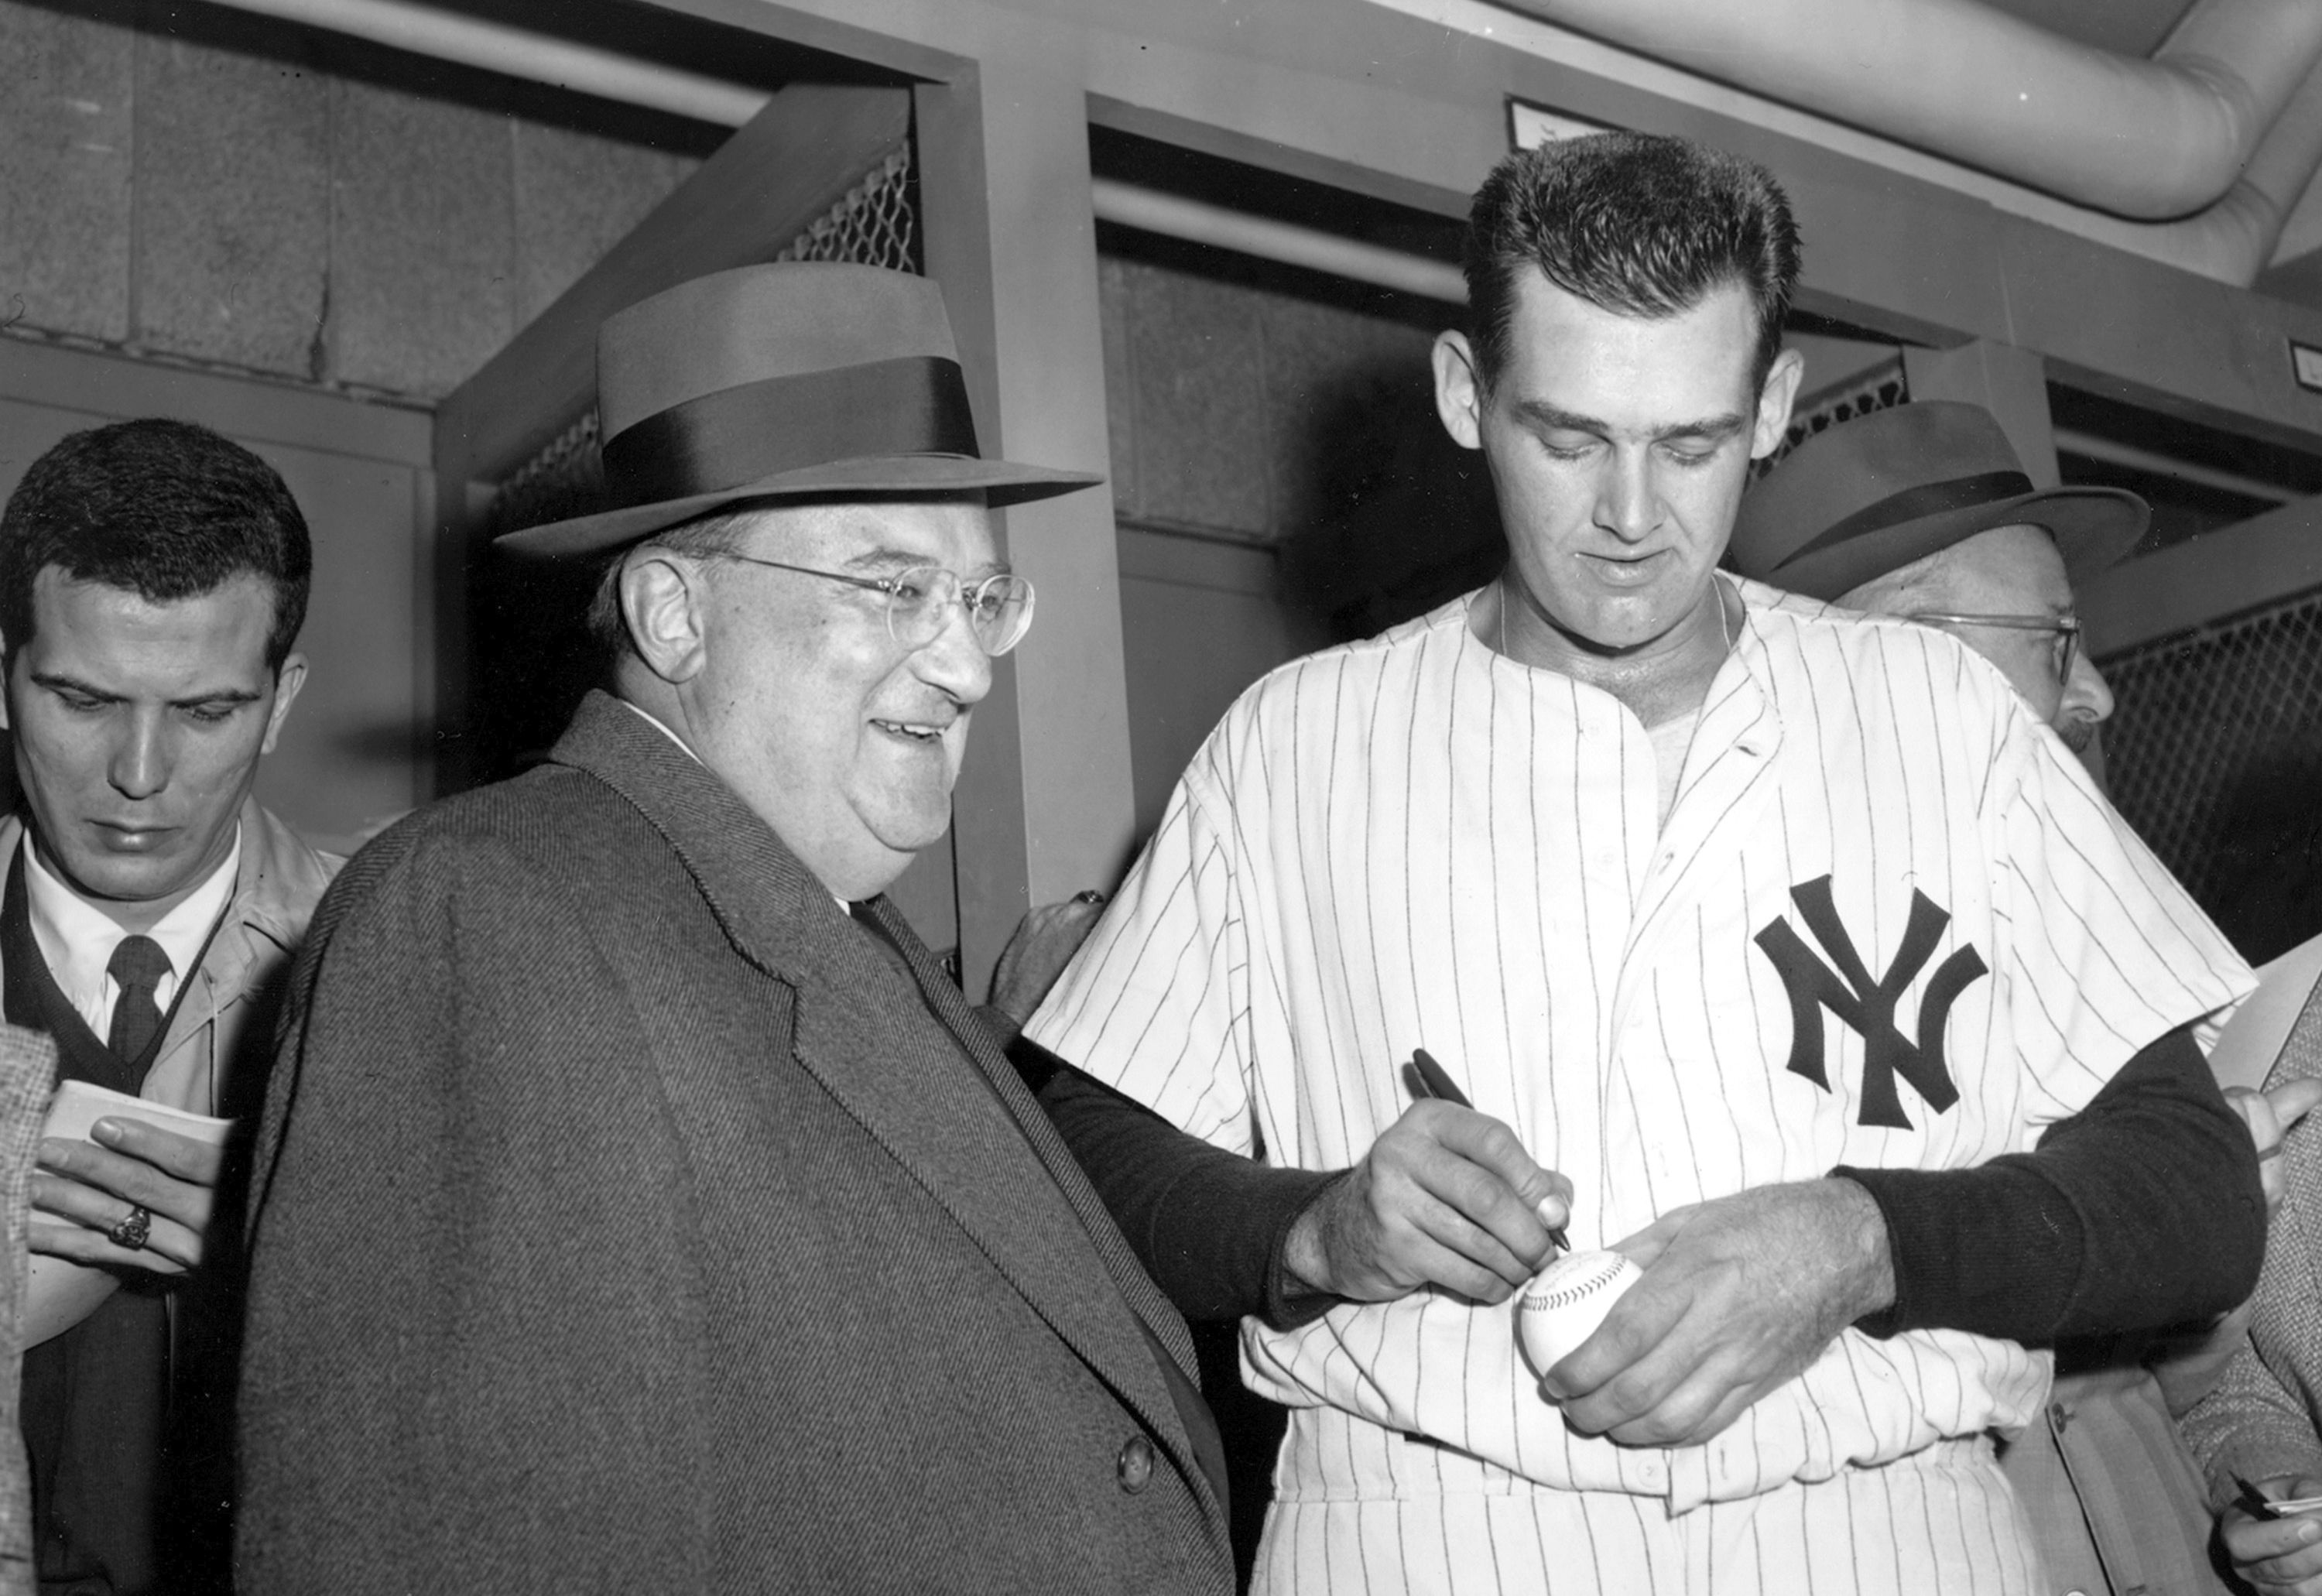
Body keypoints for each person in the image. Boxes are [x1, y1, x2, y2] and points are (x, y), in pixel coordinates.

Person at [1023, 132, 2265, 1593]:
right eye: (1567, 437)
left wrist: (1864, 1239)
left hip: (1892, 1532)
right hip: (1427, 1533)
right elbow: (1083, 1155)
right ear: (1462, 394)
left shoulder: (1941, 718)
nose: (1629, 517)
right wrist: (1312, 1227)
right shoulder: (1294, 742)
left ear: (1775, 406)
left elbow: (2194, 1192)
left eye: (1689, 443)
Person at [234, 262, 1236, 1593]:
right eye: (893, 589)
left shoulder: (841, 928)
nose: (969, 664)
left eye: (981, 599)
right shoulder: (488, 912)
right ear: (674, 613)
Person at [1731, 398, 2322, 1596]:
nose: (2097, 694)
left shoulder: (2078, 944)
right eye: (2055, 641)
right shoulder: (1711, 975)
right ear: (1900, 654)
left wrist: (2212, 1231)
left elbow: (2189, 1381)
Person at [0, 417, 338, 1595]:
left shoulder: (393, 957)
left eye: (205, 712)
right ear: (1, 679)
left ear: (282, 701)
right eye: (83, 699)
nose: (139, 775)